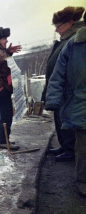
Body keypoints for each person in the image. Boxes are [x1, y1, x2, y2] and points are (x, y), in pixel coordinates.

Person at [46, 12, 86, 196]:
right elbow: (58, 73)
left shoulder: (72, 40)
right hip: (78, 102)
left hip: (74, 99)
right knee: (82, 144)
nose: (57, 30)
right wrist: (53, 100)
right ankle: (83, 181)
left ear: (70, 23)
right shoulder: (74, 43)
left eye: (59, 26)